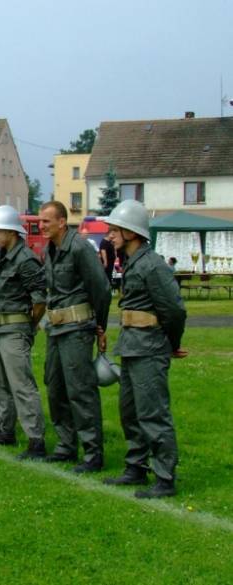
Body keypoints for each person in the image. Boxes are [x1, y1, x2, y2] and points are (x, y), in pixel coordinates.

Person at [102, 200, 187, 499]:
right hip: (134, 347)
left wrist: (172, 344)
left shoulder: (152, 265)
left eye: (114, 230)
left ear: (130, 232)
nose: (109, 236)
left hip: (150, 348)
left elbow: (174, 310)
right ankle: (136, 467)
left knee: (153, 413)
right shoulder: (133, 262)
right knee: (130, 411)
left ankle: (165, 477)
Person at [39, 202, 111, 473]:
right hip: (56, 329)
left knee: (80, 390)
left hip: (77, 329)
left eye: (47, 221)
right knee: (55, 386)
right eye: (40, 221)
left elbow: (101, 289)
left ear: (61, 222)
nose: (42, 226)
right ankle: (66, 445)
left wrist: (100, 327)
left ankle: (93, 453)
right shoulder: (49, 250)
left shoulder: (80, 248)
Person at [0, 205, 48, 460]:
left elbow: (40, 299)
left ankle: (36, 440)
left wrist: (31, 324)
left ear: (12, 232)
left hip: (15, 328)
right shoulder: (2, 255)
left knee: (22, 385)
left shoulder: (26, 259)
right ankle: (6, 430)